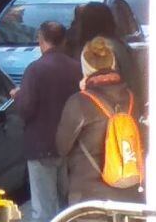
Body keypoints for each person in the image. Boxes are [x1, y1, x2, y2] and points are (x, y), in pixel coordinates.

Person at [56, 37, 145, 204]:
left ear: (86, 68)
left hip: (89, 196)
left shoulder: (79, 102)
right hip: (130, 193)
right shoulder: (132, 98)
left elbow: (62, 146)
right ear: (113, 65)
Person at [14, 22, 82, 222]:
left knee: (44, 208)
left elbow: (26, 108)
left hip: (41, 144)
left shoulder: (35, 69)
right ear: (64, 41)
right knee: (67, 207)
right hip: (71, 145)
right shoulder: (77, 68)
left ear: (41, 40)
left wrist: (18, 96)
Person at [64, 2, 145, 114]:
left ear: (86, 23)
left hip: (102, 109)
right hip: (126, 107)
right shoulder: (119, 44)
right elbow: (133, 79)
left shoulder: (97, 47)